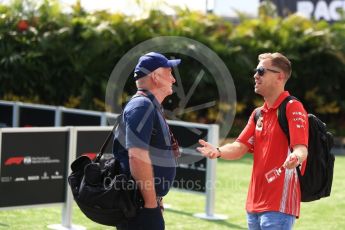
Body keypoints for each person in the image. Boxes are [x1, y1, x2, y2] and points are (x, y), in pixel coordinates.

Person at [197, 52, 309, 230]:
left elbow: (301, 148)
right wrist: (218, 151)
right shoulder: (258, 113)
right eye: (256, 71)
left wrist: (296, 157)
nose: (255, 75)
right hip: (254, 205)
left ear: (279, 76)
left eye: (261, 71)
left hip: (279, 205)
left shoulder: (292, 107)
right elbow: (239, 147)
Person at [113, 52, 181, 230]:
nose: (173, 79)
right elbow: (137, 157)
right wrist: (151, 204)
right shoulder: (142, 106)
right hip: (140, 206)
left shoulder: (148, 104)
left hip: (141, 203)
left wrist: (155, 200)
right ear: (156, 76)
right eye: (169, 73)